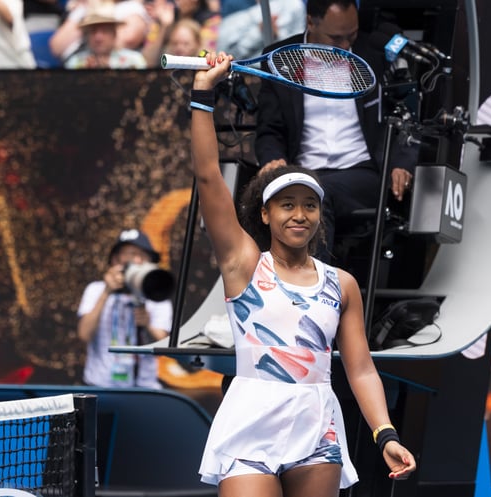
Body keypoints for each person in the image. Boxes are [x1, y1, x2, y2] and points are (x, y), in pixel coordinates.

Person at [189, 51, 417, 495]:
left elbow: (362, 370)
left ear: (320, 215)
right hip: (251, 422)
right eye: (287, 205)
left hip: (317, 427)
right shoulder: (245, 264)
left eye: (309, 205)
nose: (300, 215)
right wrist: (203, 93)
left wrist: (384, 433)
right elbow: (207, 176)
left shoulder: (341, 284)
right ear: (266, 214)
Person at [253, 0, 419, 263]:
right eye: (335, 37)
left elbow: (402, 118)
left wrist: (401, 163)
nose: (345, 46)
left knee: (316, 194)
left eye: (350, 35)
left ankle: (314, 289)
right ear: (310, 22)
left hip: (362, 172)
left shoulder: (374, 54)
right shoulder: (280, 57)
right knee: (269, 194)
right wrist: (273, 158)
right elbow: (269, 129)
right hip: (302, 170)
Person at [77, 229, 173, 389]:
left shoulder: (157, 295)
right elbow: (84, 334)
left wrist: (147, 324)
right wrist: (107, 292)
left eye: (142, 256)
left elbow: (164, 348)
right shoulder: (95, 290)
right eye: (129, 255)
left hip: (144, 388)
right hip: (100, 387)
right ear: (115, 260)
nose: (136, 260)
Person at [49, 0, 149, 65]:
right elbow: (56, 47)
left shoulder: (134, 61)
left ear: (114, 33)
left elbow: (129, 39)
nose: (98, 37)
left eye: (105, 30)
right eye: (93, 31)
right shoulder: (76, 63)